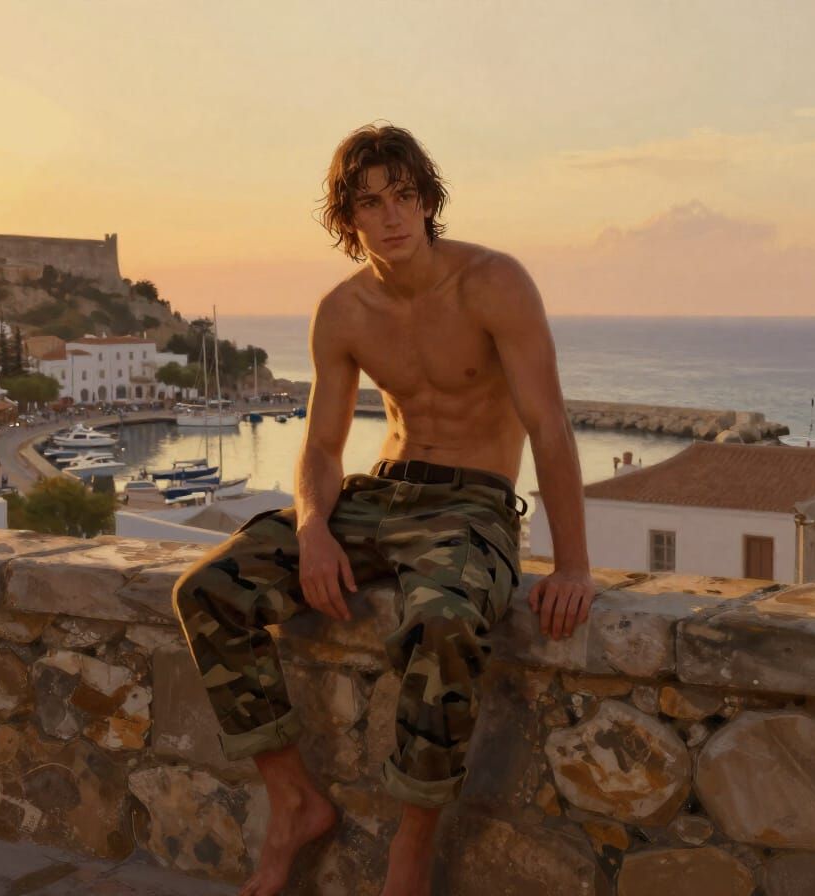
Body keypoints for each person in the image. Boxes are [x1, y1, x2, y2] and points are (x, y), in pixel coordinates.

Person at [172, 124, 596, 896]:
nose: (392, 215)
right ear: (349, 220)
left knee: (441, 622)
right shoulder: (343, 312)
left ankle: (411, 848)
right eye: (371, 202)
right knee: (206, 591)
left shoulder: (494, 283)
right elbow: (324, 449)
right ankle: (294, 799)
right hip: (378, 495)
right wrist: (310, 531)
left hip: (472, 506)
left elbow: (550, 427)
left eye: (404, 195)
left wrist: (573, 565)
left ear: (427, 200)